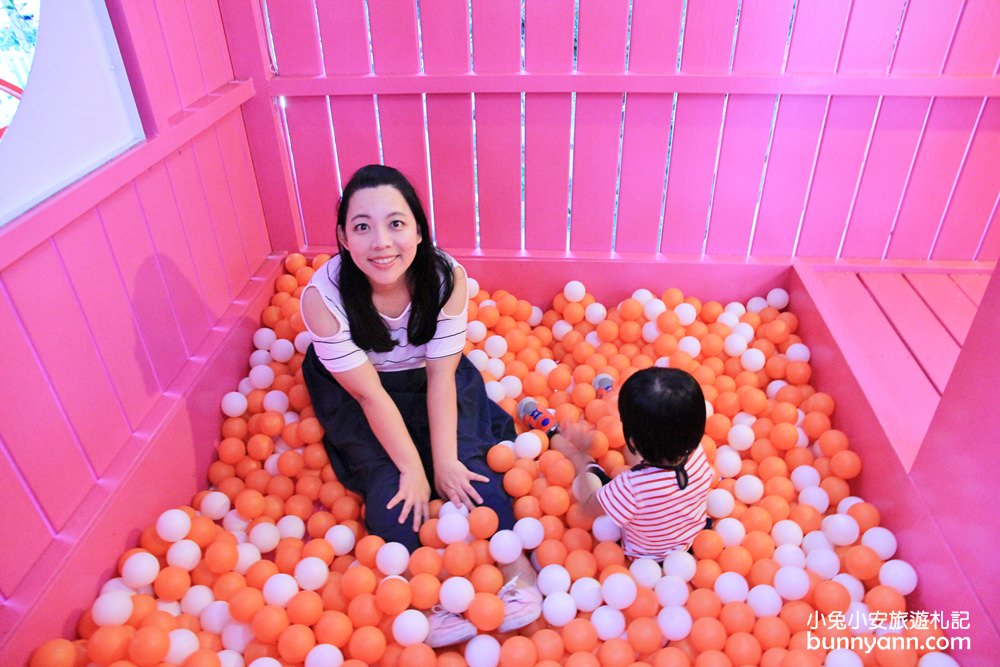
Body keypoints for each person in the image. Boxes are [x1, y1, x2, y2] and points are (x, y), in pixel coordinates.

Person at [300, 164, 539, 646]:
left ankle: (520, 575)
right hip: (364, 393)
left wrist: (445, 459)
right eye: (362, 227)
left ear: (418, 229)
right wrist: (412, 466)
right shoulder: (322, 300)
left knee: (472, 477)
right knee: (393, 495)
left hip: (435, 379)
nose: (381, 242)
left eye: (396, 223)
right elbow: (368, 395)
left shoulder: (445, 277)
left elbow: (441, 375)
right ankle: (417, 597)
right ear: (343, 238)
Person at [525, 367, 714, 560]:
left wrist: (582, 457)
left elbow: (588, 508)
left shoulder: (630, 487)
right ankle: (615, 406)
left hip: (647, 558)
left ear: (632, 440)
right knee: (654, 446)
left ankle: (552, 432)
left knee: (591, 470)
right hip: (692, 541)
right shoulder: (698, 453)